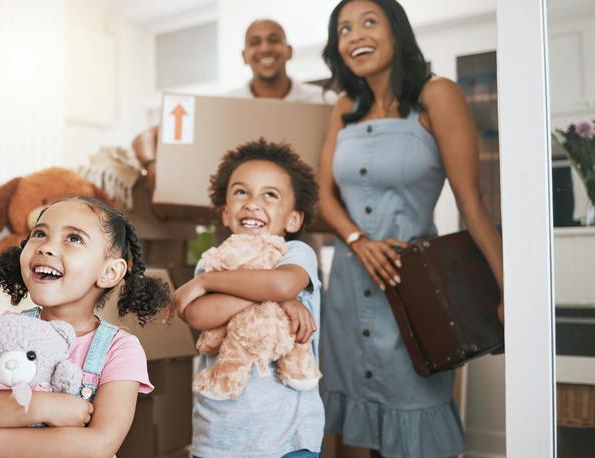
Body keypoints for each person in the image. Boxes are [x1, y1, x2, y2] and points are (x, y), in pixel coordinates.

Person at [317, 1, 504, 457]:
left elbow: (471, 201)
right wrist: (358, 241)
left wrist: (508, 290)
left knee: (416, 418)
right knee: (352, 428)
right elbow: (322, 194)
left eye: (367, 22)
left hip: (414, 286)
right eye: (343, 29)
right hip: (346, 285)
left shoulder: (438, 95)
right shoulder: (344, 106)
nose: (354, 35)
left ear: (396, 32)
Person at [0, 196, 170, 457]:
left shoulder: (119, 349)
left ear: (109, 273)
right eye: (40, 234)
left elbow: (100, 443)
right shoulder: (7, 329)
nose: (46, 247)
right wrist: (41, 406)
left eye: (74, 238)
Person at [172, 139, 325, 458]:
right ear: (226, 213)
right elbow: (199, 316)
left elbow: (283, 283)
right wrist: (273, 296)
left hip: (289, 436)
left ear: (294, 219)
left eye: (270, 195)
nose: (253, 203)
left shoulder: (296, 253)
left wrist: (209, 282)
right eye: (241, 192)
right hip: (220, 435)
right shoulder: (214, 259)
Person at [133, 19, 332, 195]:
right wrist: (151, 165)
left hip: (307, 224)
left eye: (273, 39)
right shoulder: (223, 106)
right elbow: (146, 137)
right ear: (244, 56)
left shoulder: (324, 101)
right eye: (255, 42)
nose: (265, 48)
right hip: (237, 225)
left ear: (289, 51)